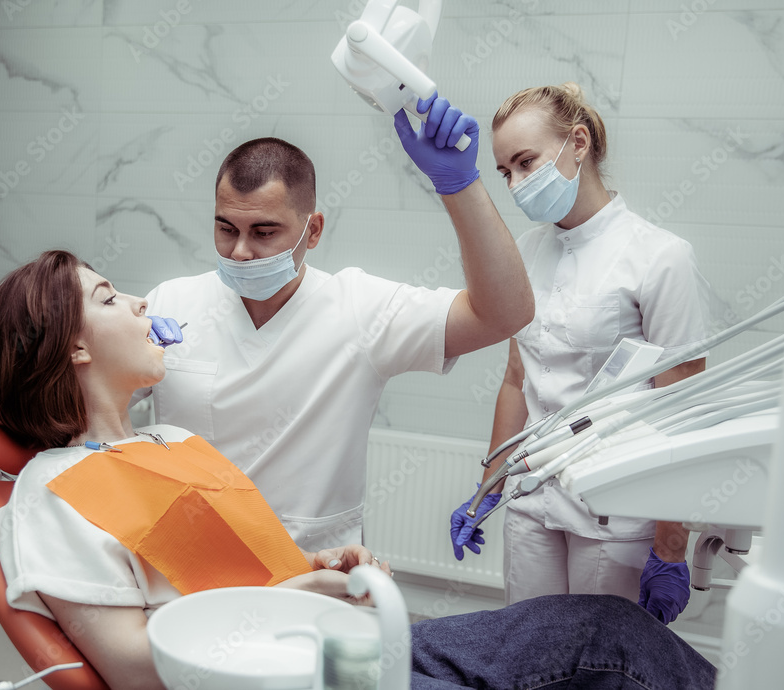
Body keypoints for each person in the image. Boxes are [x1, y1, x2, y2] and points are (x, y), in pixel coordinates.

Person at [0, 250, 716, 690]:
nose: (141, 302)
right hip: (284, 677)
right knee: (609, 659)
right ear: (74, 347)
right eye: (109, 297)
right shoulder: (51, 491)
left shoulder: (169, 439)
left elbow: (232, 572)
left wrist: (318, 566)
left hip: (335, 649)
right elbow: (137, 671)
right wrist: (305, 592)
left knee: (606, 625)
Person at [135, 98, 535, 551]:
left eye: (264, 233)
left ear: (313, 230)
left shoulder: (360, 310)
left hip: (315, 566)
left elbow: (505, 314)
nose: (241, 252)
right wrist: (115, 352)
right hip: (188, 558)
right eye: (226, 229)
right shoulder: (170, 304)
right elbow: (86, 415)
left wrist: (459, 186)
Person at [448, 83, 712, 622]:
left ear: (579, 143)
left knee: (597, 661)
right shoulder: (525, 253)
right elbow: (516, 378)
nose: (516, 184)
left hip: (614, 511)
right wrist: (488, 486)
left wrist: (670, 547)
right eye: (505, 172)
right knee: (527, 653)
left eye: (526, 162)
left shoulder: (660, 258)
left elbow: (681, 412)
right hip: (531, 500)